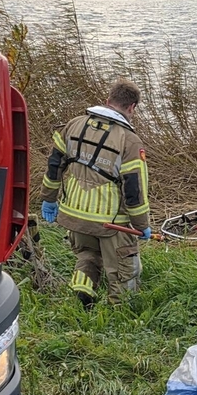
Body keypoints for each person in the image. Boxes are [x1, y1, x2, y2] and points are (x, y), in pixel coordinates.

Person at [40, 79, 152, 308]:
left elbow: (54, 166)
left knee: (87, 255)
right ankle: (120, 314)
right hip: (112, 222)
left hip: (75, 213)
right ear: (132, 108)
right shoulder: (129, 141)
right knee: (123, 270)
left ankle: (83, 295)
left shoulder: (73, 125)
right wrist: (141, 224)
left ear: (108, 100)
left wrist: (48, 199)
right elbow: (134, 189)